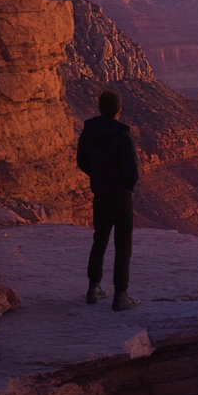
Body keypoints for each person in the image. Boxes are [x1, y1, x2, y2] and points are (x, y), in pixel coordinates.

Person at [76, 89, 141, 311]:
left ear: (100, 108)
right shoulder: (123, 136)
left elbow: (81, 161)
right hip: (121, 197)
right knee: (123, 246)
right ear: (118, 111)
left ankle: (93, 288)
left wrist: (98, 177)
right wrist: (126, 186)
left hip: (100, 195)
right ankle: (120, 295)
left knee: (100, 240)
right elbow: (132, 171)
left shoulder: (89, 131)